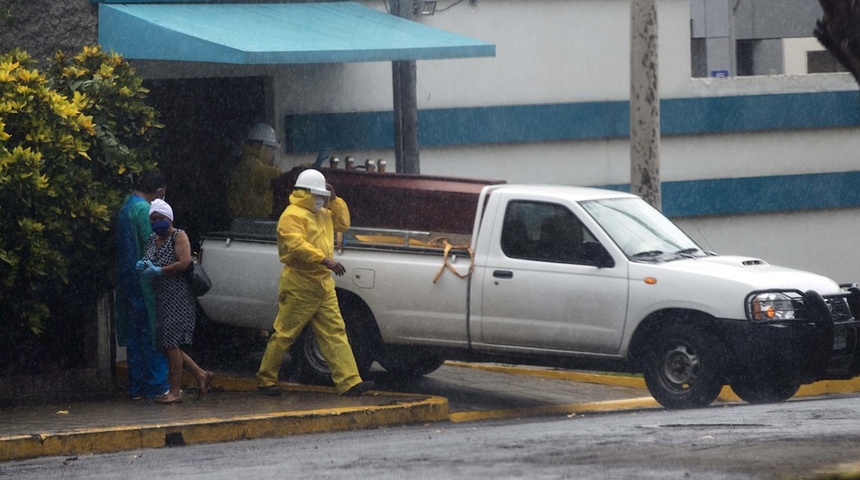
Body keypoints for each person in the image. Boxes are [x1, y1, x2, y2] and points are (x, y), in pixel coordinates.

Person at [256, 169, 374, 397]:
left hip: (322, 283)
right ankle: (266, 379)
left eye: (323, 195)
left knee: (335, 332)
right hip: (300, 283)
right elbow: (295, 245)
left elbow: (343, 223)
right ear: (305, 193)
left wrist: (335, 199)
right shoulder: (292, 216)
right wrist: (324, 259)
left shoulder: (322, 213)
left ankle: (350, 382)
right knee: (285, 334)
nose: (321, 199)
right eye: (318, 195)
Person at [137, 199, 213, 404]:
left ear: (169, 218)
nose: (156, 222)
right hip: (160, 296)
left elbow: (184, 262)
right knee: (167, 345)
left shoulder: (179, 236)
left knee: (171, 344)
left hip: (178, 297)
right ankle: (201, 374)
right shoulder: (153, 239)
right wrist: (144, 265)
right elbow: (148, 258)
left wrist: (160, 270)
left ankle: (175, 392)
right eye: (153, 219)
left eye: (160, 218)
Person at [115, 169, 170, 400]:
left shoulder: (126, 207)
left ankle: (137, 387)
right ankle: (157, 386)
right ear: (159, 192)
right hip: (145, 281)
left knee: (135, 337)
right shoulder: (144, 211)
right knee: (152, 335)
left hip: (128, 281)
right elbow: (154, 245)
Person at [226, 123, 282, 219]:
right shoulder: (252, 165)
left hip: (245, 219)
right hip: (251, 221)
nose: (272, 154)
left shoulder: (244, 162)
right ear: (262, 147)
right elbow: (276, 176)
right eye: (271, 149)